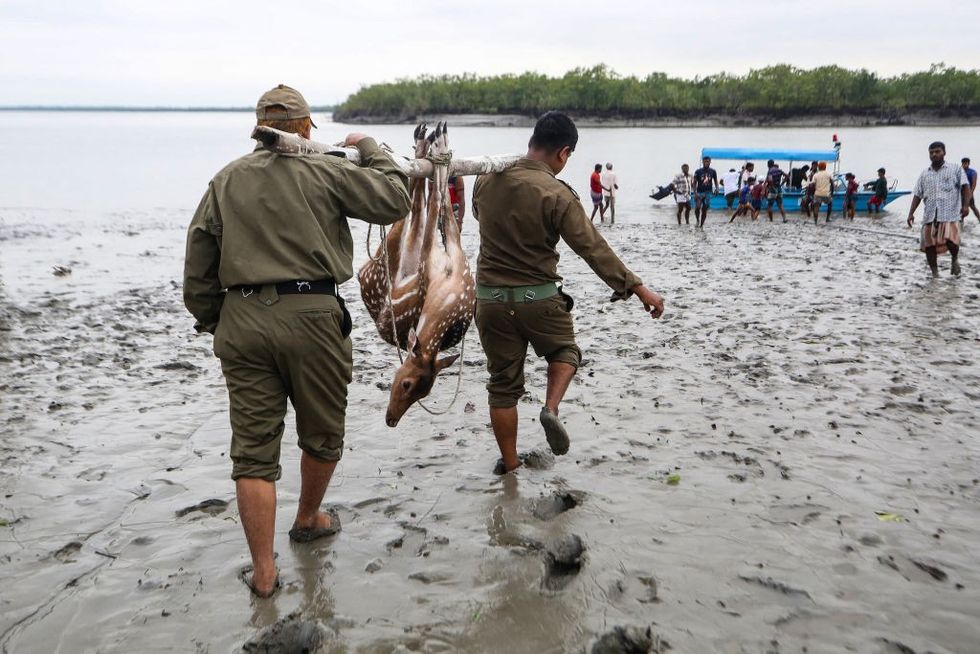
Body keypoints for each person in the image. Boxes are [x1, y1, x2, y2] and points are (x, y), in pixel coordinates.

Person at [182, 84, 411, 598]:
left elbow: (198, 265)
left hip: (242, 319)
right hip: (313, 315)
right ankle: (308, 517)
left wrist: (217, 321)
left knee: (253, 454)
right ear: (306, 128)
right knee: (322, 431)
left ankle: (264, 572)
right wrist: (373, 149)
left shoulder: (226, 179)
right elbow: (395, 199)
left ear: (259, 128)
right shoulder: (327, 168)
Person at [471, 111, 665, 474]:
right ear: (563, 153)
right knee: (565, 351)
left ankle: (510, 465)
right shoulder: (557, 193)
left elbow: (479, 216)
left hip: (491, 302)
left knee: (502, 387)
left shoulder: (485, 180)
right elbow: (591, 247)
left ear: (532, 141)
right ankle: (550, 408)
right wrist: (637, 288)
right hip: (539, 300)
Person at [907, 141, 971, 277]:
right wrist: (911, 213)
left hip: (950, 214)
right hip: (930, 214)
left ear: (944, 152)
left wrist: (965, 206)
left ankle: (954, 259)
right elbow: (917, 194)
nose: (934, 154)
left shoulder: (955, 169)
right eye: (931, 152)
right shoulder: (924, 174)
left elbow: (966, 187)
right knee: (929, 246)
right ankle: (935, 273)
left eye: (937, 151)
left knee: (952, 241)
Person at [692, 156, 718, 227]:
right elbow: (694, 183)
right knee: (697, 207)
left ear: (710, 162)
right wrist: (695, 193)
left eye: (708, 161)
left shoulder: (713, 171)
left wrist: (717, 188)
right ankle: (697, 219)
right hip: (700, 192)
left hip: (708, 192)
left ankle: (701, 225)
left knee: (705, 208)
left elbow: (715, 180)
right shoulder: (698, 171)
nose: (706, 163)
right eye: (705, 161)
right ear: (703, 162)